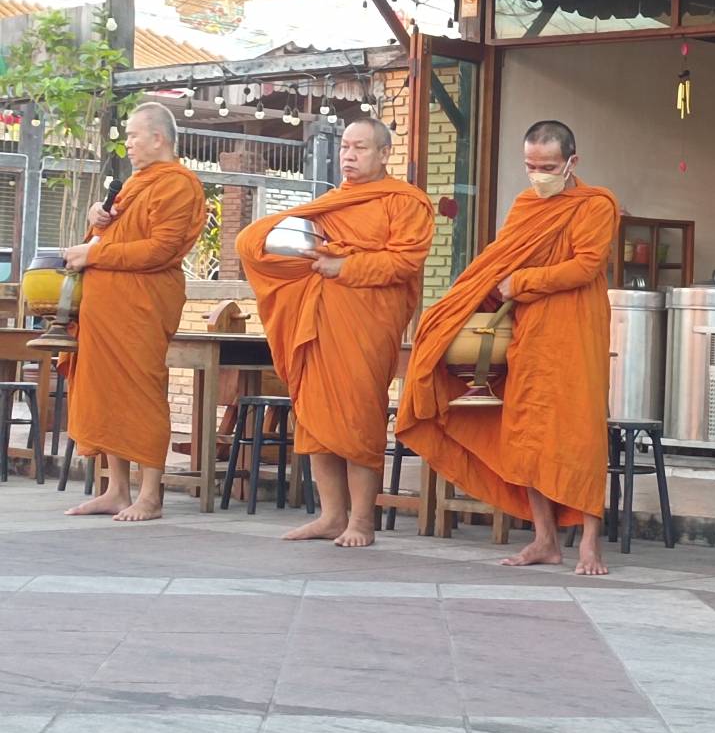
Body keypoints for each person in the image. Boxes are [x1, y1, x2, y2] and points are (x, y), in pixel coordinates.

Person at [397, 120, 617, 575]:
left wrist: (523, 282)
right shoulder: (523, 205)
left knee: (581, 433)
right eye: (531, 165)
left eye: (548, 166)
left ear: (572, 162)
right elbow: (499, 263)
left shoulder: (596, 205)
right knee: (526, 432)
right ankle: (544, 539)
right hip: (529, 332)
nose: (538, 174)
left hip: (577, 329)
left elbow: (585, 266)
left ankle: (590, 544)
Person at [237, 117, 433, 548]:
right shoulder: (329, 203)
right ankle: (330, 515)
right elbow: (264, 244)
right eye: (345, 147)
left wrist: (347, 265)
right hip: (320, 319)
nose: (348, 155)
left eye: (360, 148)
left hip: (367, 323)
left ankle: (361, 521)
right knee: (316, 417)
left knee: (358, 419)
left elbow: (404, 262)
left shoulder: (405, 202)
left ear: (384, 154)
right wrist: (312, 259)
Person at [62, 102, 206, 521]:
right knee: (107, 391)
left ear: (158, 138)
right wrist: (96, 222)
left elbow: (160, 250)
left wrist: (95, 250)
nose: (127, 144)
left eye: (132, 135)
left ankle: (150, 495)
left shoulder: (177, 185)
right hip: (104, 306)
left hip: (142, 303)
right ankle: (116, 489)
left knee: (141, 392)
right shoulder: (133, 185)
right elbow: (108, 241)